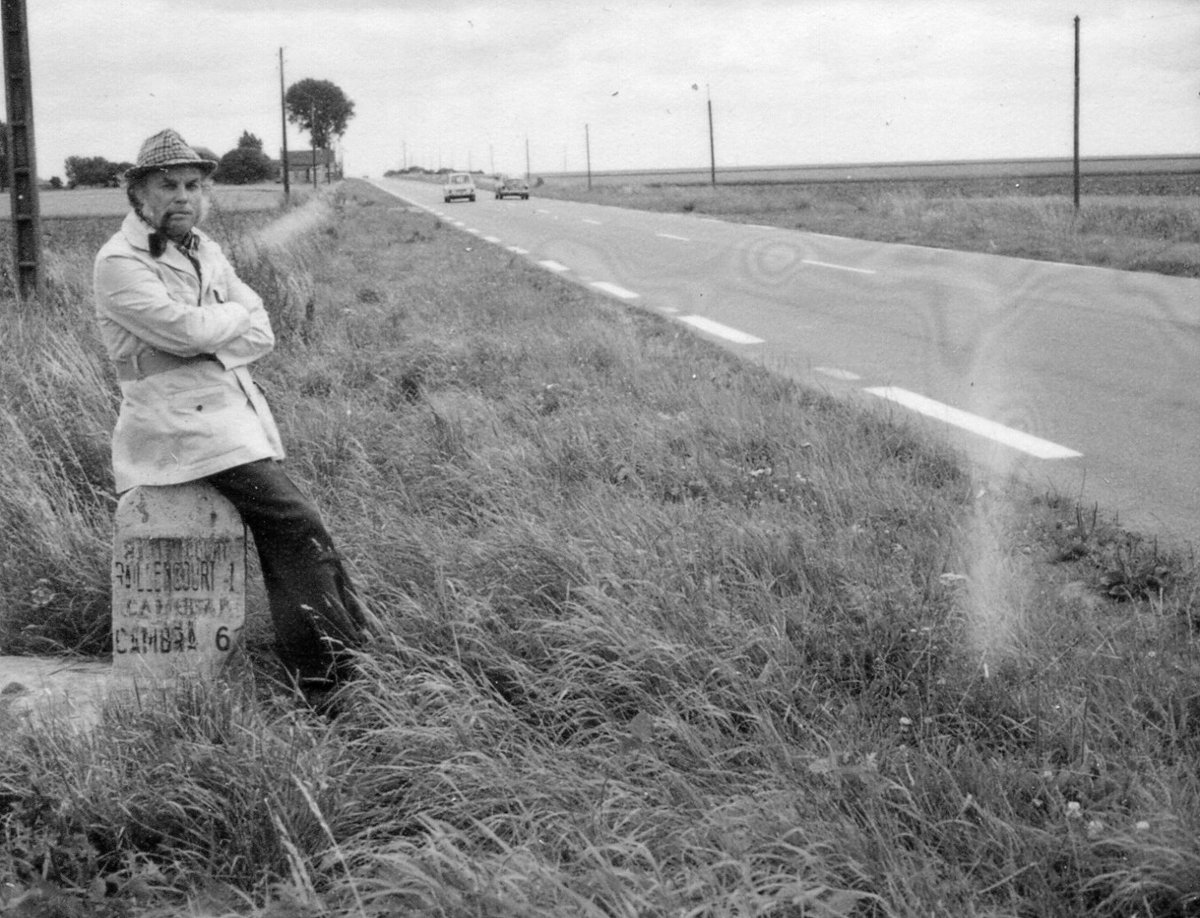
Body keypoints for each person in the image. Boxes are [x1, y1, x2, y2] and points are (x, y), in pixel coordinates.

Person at [93, 128, 369, 702]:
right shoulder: (118, 263)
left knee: (298, 523)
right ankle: (325, 682)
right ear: (138, 195)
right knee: (294, 522)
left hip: (226, 417)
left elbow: (261, 329)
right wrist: (222, 323)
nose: (182, 197)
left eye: (193, 185)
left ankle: (347, 654)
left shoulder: (205, 249)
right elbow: (186, 328)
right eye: (167, 185)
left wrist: (211, 334)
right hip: (176, 426)